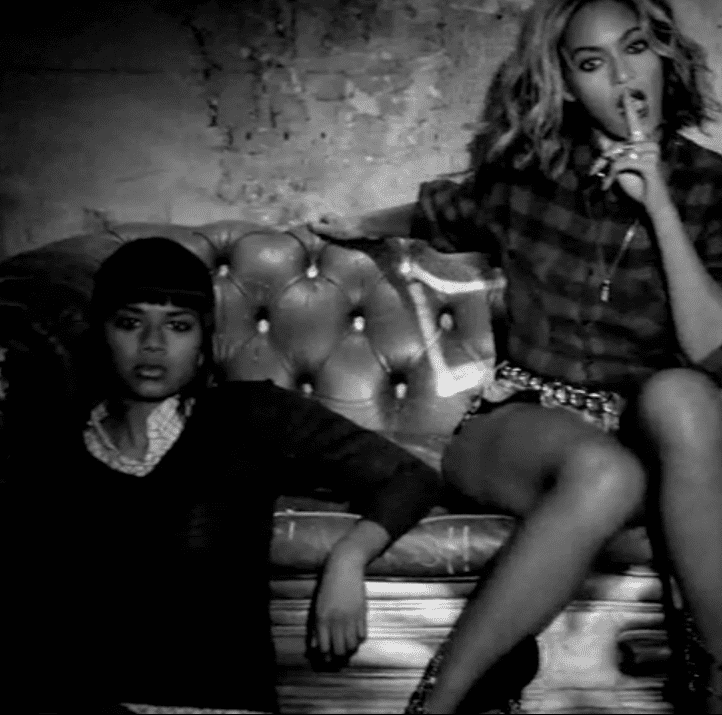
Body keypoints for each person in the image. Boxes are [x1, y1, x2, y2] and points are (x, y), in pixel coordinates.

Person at [373, 0, 722, 712]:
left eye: (636, 48)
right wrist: (351, 227)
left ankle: (719, 692)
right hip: (523, 424)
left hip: (651, 444)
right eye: (593, 63)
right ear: (564, 83)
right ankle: (436, 705)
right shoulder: (526, 175)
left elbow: (717, 354)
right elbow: (434, 215)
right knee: (604, 471)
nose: (622, 77)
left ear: (666, 55)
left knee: (680, 396)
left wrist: (659, 205)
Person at [34, 237, 442, 713]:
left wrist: (349, 558)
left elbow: (410, 477)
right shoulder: (57, 448)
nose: (153, 343)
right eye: (129, 323)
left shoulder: (249, 417)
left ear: (203, 339)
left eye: (178, 326)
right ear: (101, 332)